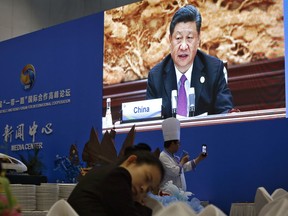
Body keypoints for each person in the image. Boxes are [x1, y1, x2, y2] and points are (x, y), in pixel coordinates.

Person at [146, 5, 234, 118]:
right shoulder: (156, 76)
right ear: (170, 40)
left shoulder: (214, 70)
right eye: (178, 38)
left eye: (189, 38)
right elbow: (150, 122)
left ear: (198, 41)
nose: (183, 46)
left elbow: (225, 112)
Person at [68, 144, 165, 216]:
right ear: (131, 161)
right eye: (146, 178)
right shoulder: (118, 175)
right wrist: (143, 209)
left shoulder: (104, 172)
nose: (143, 188)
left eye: (148, 190)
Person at [159, 117, 207, 192]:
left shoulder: (174, 157)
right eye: (178, 143)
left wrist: (200, 158)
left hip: (178, 195)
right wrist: (182, 162)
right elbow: (174, 172)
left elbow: (185, 167)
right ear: (172, 143)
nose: (179, 146)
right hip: (168, 196)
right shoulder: (163, 156)